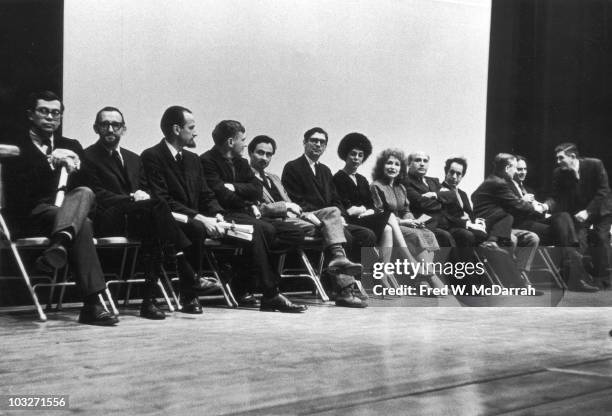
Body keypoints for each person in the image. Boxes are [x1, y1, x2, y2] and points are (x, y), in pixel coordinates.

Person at [142, 107, 306, 313]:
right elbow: (164, 199)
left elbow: (209, 194)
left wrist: (217, 211)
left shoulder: (192, 159)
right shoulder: (153, 156)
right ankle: (266, 293)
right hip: (179, 219)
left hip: (213, 216)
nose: (195, 132)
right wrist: (209, 214)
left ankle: (241, 280)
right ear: (176, 129)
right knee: (258, 231)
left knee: (287, 232)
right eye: (191, 127)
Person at [83, 106, 218, 319]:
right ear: (95, 128)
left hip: (141, 217)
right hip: (108, 218)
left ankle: (150, 301)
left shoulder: (134, 158)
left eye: (115, 125)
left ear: (123, 129)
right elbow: (96, 194)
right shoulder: (87, 156)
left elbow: (146, 189)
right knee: (157, 210)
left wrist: (140, 197)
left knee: (154, 222)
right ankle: (186, 273)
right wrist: (130, 198)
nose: (110, 129)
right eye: (104, 124)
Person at [2, 91, 117, 325]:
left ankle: (60, 244)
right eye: (43, 111)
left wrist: (74, 161)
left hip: (64, 212)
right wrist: (49, 162)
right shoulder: (16, 146)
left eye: (55, 113)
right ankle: (92, 304)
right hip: (28, 214)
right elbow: (17, 193)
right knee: (82, 224)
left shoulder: (70, 145)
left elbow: (88, 185)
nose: (50, 117)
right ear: (31, 115)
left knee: (85, 194)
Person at [199, 120, 309, 310]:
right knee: (262, 229)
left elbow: (256, 190)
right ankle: (270, 294)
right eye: (243, 140)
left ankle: (241, 275)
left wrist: (233, 186)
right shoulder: (206, 161)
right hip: (223, 215)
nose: (244, 144)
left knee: (294, 233)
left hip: (245, 214)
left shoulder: (241, 163)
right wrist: (245, 199)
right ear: (231, 142)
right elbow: (220, 193)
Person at [282, 127, 377, 307]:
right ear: (304, 142)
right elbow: (295, 200)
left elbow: (335, 199)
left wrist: (340, 215)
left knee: (367, 235)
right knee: (346, 236)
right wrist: (329, 215)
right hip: (308, 217)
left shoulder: (325, 170)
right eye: (313, 140)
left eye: (322, 142)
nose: (318, 144)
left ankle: (350, 280)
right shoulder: (292, 167)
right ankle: (343, 289)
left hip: (331, 218)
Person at [248, 134, 363, 279]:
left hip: (297, 216)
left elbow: (293, 204)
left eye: (268, 154)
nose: (264, 158)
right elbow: (258, 207)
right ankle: (344, 285)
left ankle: (339, 258)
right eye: (260, 153)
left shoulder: (274, 178)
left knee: (333, 212)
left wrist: (305, 214)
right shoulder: (246, 177)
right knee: (332, 232)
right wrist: (285, 207)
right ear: (250, 153)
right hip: (277, 220)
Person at [370, 149, 442, 288]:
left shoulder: (401, 187)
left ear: (401, 168)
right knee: (415, 235)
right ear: (381, 166)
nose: (392, 167)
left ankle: (424, 278)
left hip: (403, 225)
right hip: (388, 226)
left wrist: (413, 221)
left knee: (428, 233)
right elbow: (380, 214)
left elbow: (406, 210)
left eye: (396, 164)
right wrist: (404, 221)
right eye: (389, 163)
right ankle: (432, 277)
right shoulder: (376, 186)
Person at [547, 143, 612, 289]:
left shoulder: (594, 164)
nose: (557, 162)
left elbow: (603, 190)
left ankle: (604, 279)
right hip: (579, 213)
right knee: (578, 240)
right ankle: (580, 278)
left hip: (601, 209)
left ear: (572, 156)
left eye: (560, 158)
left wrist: (588, 211)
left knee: (601, 237)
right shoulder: (559, 173)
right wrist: (546, 205)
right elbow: (556, 197)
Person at [471, 153, 542, 288]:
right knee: (512, 240)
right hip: (492, 228)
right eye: (515, 168)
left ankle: (519, 274)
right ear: (508, 167)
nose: (516, 171)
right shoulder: (498, 183)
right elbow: (518, 205)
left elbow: (474, 195)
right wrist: (535, 208)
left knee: (532, 238)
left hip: (502, 225)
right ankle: (509, 280)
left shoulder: (495, 181)